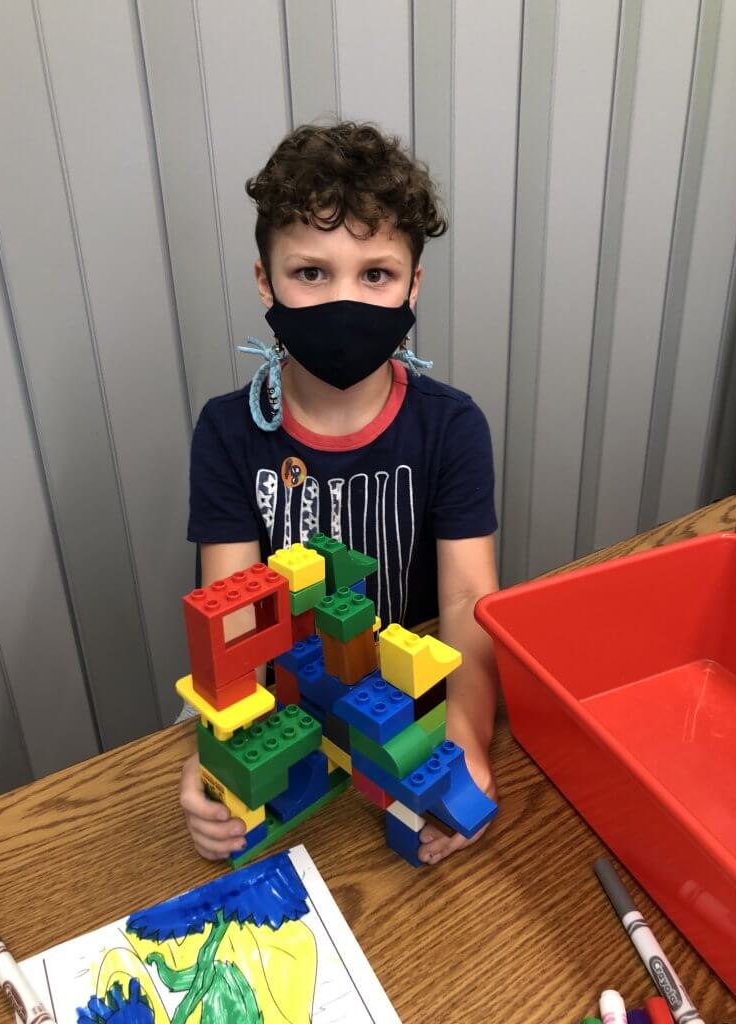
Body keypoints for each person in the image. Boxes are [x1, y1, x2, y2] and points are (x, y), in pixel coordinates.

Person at [179, 121, 499, 865]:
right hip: (293, 724)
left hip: (410, 712)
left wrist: (466, 744)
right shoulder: (229, 433)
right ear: (266, 282)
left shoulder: (451, 427)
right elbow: (229, 620)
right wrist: (219, 755)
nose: (343, 300)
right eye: (311, 273)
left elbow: (467, 604)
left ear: (414, 285)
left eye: (376, 274)